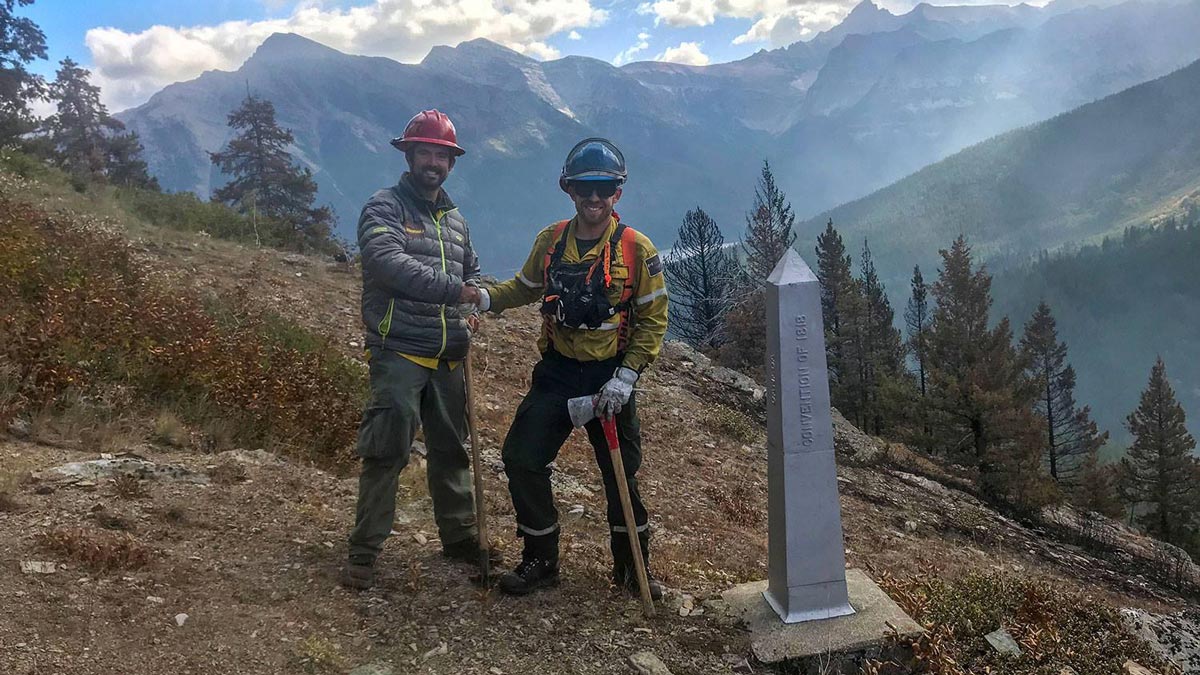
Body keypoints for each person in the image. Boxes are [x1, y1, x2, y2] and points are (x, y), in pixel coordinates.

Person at [473, 138, 669, 598]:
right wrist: (484, 298)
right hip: (558, 372)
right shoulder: (551, 241)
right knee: (522, 457)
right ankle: (540, 559)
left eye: (604, 188)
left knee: (621, 473)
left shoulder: (636, 249)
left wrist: (628, 375)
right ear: (569, 189)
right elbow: (523, 288)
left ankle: (632, 570)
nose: (594, 197)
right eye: (585, 187)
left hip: (610, 376)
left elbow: (653, 319)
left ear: (617, 192)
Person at [342, 109, 496, 590]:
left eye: (442, 155)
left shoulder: (456, 221)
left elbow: (472, 271)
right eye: (425, 152)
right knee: (387, 448)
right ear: (409, 155)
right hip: (400, 350)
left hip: (449, 351)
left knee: (452, 450)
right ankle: (364, 551)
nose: (433, 162)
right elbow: (387, 264)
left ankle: (460, 538)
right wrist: (459, 293)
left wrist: (470, 302)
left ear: (451, 163)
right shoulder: (383, 208)